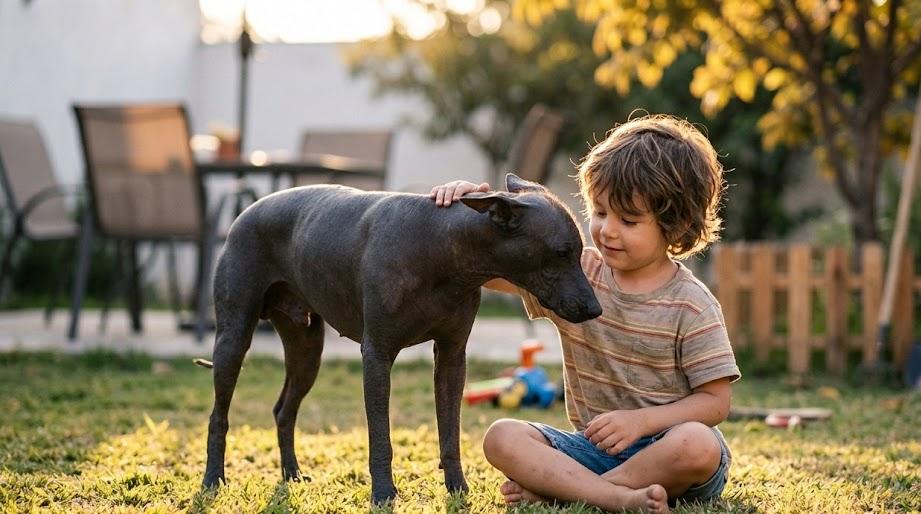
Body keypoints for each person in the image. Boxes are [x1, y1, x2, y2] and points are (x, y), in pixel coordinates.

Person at [429, 114, 741, 513]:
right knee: (501, 436)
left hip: (667, 451)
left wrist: (641, 423)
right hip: (591, 450)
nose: (607, 230)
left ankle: (576, 492)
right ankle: (614, 497)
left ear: (676, 227)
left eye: (628, 220)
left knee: (697, 443)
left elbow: (716, 403)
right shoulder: (575, 274)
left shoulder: (692, 303)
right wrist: (462, 212)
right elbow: (490, 269)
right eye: (600, 212)